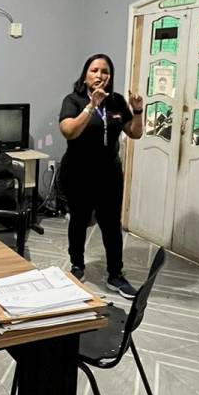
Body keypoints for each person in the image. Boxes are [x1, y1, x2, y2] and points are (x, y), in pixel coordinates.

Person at [58, 53, 144, 299]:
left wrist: (138, 111)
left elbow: (134, 133)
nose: (100, 75)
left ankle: (115, 275)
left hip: (109, 175)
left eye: (105, 71)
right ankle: (77, 265)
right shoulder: (73, 100)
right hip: (79, 173)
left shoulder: (117, 102)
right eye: (94, 70)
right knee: (79, 220)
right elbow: (69, 131)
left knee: (111, 225)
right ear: (85, 75)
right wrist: (91, 106)